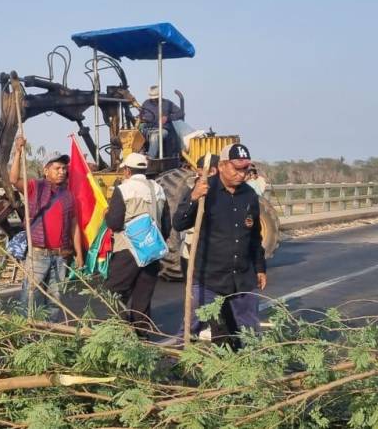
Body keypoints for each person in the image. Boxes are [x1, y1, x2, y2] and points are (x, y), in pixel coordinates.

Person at [173, 143, 267, 350]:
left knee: (249, 330)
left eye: (245, 169)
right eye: (237, 168)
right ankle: (176, 364)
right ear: (223, 165)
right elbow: (179, 223)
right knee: (191, 328)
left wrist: (260, 268)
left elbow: (254, 236)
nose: (242, 174)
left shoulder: (249, 195)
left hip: (242, 277)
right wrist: (194, 198)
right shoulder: (206, 189)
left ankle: (251, 366)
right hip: (209, 276)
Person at [9, 137, 83, 321]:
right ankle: (28, 337)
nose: (62, 172)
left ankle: (49, 337)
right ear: (46, 170)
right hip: (38, 254)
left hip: (60, 256)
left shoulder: (68, 196)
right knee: (30, 298)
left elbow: (74, 226)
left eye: (64, 168)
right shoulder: (35, 187)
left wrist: (79, 253)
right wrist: (18, 152)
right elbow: (13, 179)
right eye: (57, 168)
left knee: (55, 300)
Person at [104, 153, 171, 337]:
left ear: (127, 170)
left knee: (114, 292)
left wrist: (106, 214)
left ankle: (119, 334)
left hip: (128, 250)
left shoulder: (123, 189)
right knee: (143, 296)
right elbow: (167, 224)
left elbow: (115, 223)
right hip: (152, 251)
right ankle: (142, 336)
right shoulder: (158, 189)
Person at [172, 155, 219, 342]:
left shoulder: (222, 194)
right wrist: (194, 197)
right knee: (195, 295)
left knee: (210, 297)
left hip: (210, 253)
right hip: (192, 252)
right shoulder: (193, 190)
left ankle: (207, 328)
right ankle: (186, 337)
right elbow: (179, 221)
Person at [139, 85, 184, 159]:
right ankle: (138, 155)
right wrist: (141, 118)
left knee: (155, 136)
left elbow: (181, 113)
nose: (154, 100)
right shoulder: (146, 103)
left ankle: (150, 157)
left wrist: (168, 118)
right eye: (153, 98)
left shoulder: (168, 103)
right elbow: (140, 115)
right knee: (134, 134)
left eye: (156, 98)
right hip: (148, 128)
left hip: (163, 129)